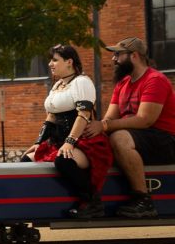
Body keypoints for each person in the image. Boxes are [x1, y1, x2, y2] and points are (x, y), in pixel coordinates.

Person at [83, 37, 175, 218]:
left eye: (118, 54)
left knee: (118, 137)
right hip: (137, 137)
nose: (114, 59)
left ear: (134, 56)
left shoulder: (155, 80)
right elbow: (110, 118)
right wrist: (94, 130)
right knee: (95, 140)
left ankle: (144, 201)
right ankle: (90, 201)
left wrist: (104, 125)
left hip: (165, 140)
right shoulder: (123, 83)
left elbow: (144, 120)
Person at [23, 44, 113, 218]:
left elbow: (84, 115)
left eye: (55, 60)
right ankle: (33, 205)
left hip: (84, 142)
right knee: (26, 160)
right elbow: (51, 117)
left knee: (64, 161)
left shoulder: (82, 82)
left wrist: (70, 142)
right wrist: (38, 142)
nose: (50, 64)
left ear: (69, 62)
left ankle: (93, 203)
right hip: (59, 142)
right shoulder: (58, 85)